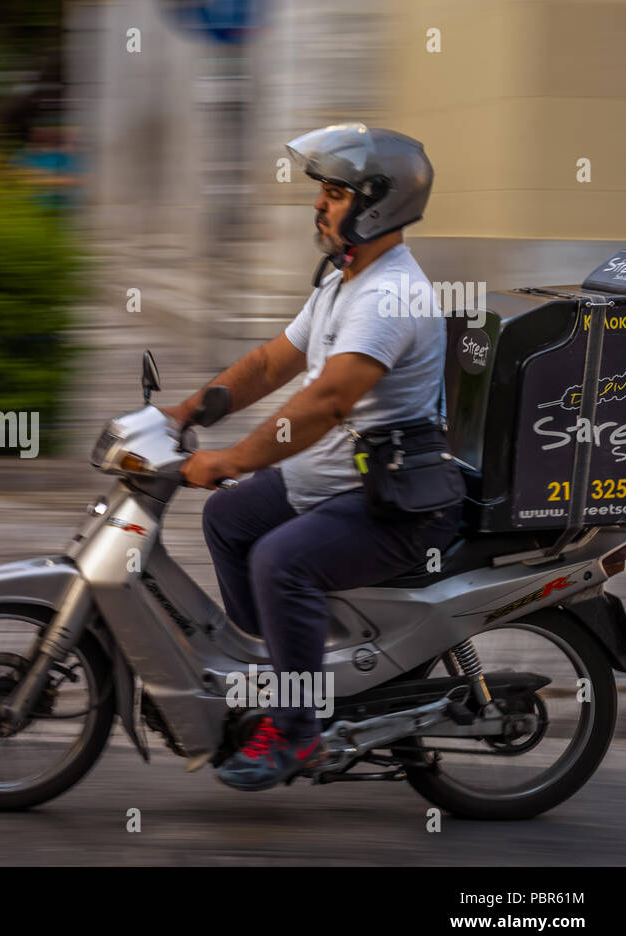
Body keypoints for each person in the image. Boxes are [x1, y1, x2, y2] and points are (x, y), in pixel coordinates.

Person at [161, 123, 461, 791]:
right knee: (230, 522)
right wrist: (189, 411)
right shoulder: (344, 280)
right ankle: (297, 673)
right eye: (321, 192)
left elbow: (326, 403)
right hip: (335, 483)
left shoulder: (388, 296)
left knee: (280, 560)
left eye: (332, 193)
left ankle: (299, 731)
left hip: (391, 500)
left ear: (377, 200)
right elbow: (273, 362)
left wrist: (232, 457)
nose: (318, 206)